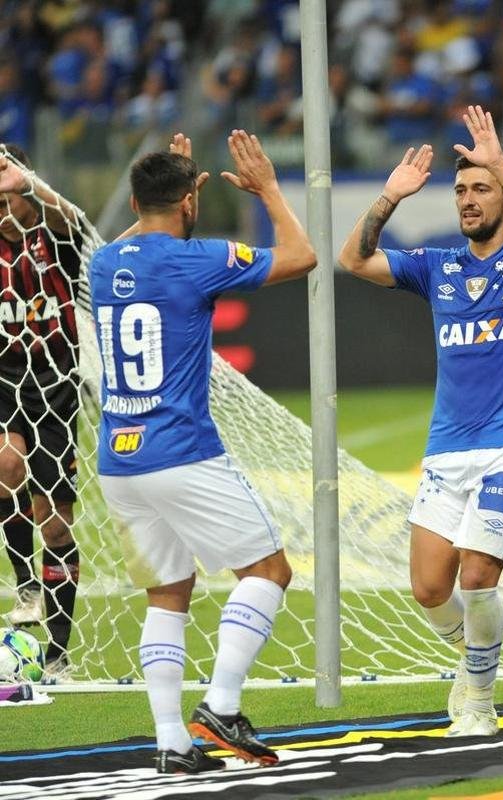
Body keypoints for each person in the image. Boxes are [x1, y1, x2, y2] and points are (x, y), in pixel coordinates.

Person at [90, 131, 315, 774]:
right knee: (268, 571)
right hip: (182, 452)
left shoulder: (106, 262)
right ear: (192, 201)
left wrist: (172, 185)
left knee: (168, 594)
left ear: (136, 200)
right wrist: (268, 187)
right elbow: (302, 256)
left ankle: (171, 743)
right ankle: (221, 703)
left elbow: (147, 229)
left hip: (119, 461)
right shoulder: (198, 259)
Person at [338, 106, 503, 737]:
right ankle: (478, 659)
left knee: (479, 576)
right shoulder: (438, 267)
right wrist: (389, 197)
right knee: (431, 590)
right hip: (446, 450)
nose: (467, 198)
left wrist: (499, 162)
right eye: (461, 189)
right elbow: (355, 260)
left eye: (480, 188)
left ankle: (480, 698)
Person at [0, 143, 84, 682]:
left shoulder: (55, 237)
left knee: (55, 524)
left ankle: (57, 652)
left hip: (56, 384)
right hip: (6, 376)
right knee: (6, 467)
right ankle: (25, 582)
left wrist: (23, 181)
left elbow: (71, 217)